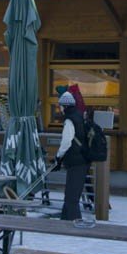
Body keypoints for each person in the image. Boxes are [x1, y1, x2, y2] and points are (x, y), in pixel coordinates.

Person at [55, 90, 90, 221]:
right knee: (72, 193)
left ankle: (73, 223)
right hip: (83, 159)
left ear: (65, 106)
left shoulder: (70, 120)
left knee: (71, 196)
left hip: (76, 160)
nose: (60, 108)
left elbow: (66, 141)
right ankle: (65, 221)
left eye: (60, 106)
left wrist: (59, 156)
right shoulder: (80, 116)